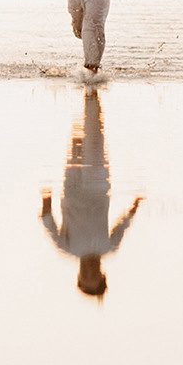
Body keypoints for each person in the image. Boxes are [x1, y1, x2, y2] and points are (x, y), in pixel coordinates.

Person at [39, 88, 142, 297]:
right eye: (93, 274)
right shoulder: (108, 248)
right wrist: (135, 205)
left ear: (78, 274)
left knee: (77, 145)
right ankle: (92, 98)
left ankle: (86, 100)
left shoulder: (67, 249)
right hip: (98, 186)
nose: (89, 270)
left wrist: (47, 200)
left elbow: (48, 222)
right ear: (102, 273)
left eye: (85, 274)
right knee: (96, 140)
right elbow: (122, 226)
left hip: (72, 190)